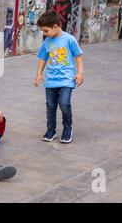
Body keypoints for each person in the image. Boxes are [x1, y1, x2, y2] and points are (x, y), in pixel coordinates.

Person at [33, 10, 84, 143]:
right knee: (50, 105)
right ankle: (51, 130)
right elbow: (43, 58)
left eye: (46, 31)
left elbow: (78, 56)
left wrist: (80, 73)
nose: (44, 34)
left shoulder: (69, 39)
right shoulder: (47, 42)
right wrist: (39, 73)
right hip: (51, 79)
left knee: (64, 103)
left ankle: (67, 128)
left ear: (55, 26)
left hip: (67, 78)